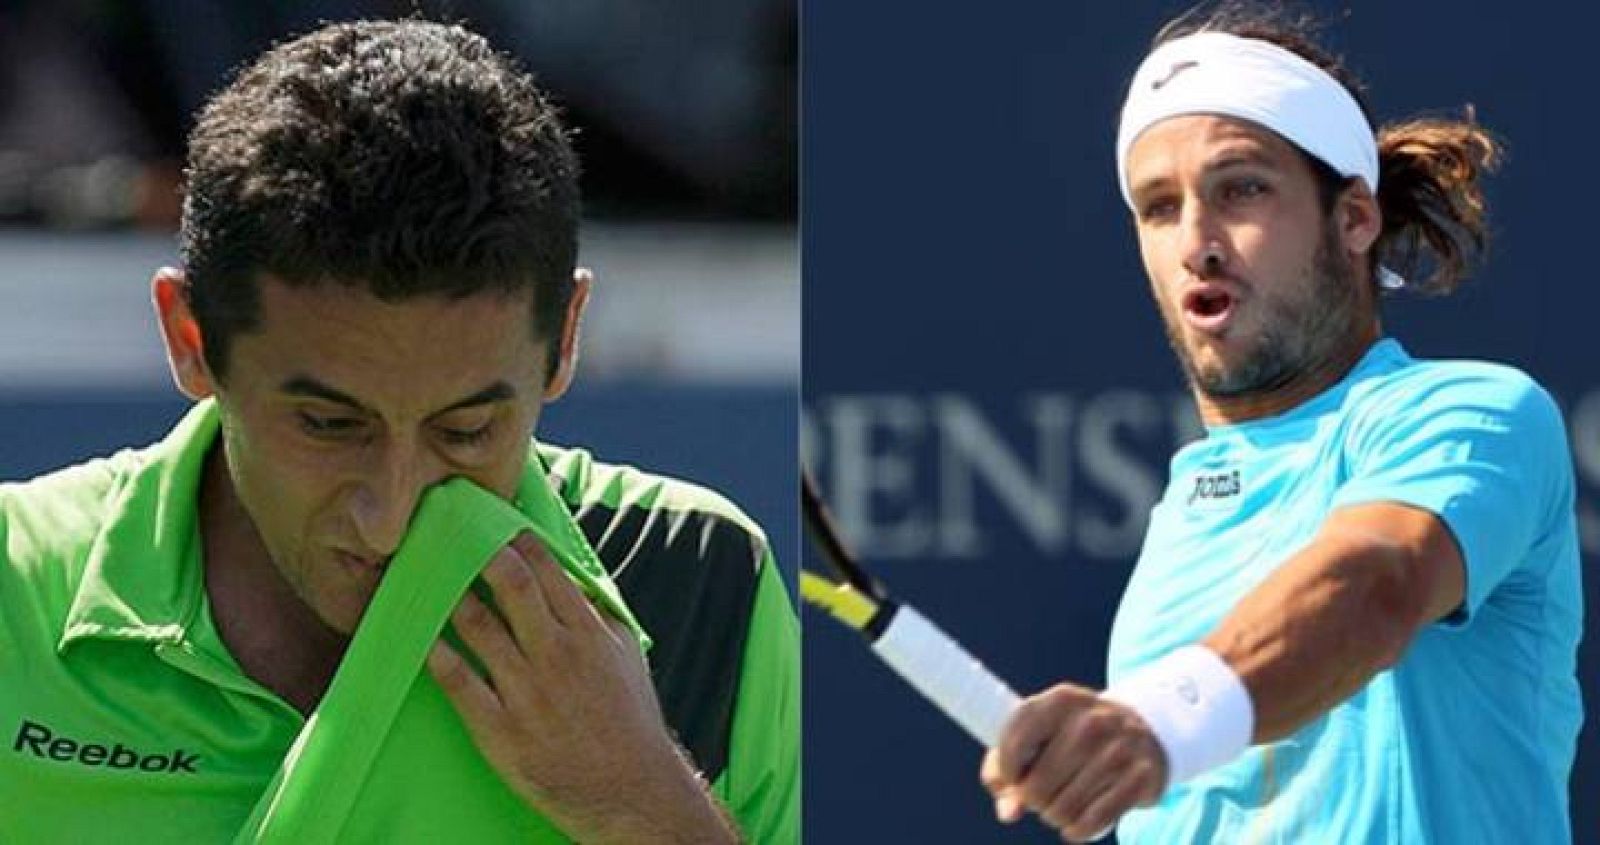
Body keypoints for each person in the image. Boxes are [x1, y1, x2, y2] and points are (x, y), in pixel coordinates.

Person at [0, 19, 797, 843]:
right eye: (328, 425)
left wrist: (640, 802)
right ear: (190, 338)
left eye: (466, 429)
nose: (390, 516)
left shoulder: (702, 581)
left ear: (564, 339)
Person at [980, 4, 1583, 843]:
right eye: (1159, 207)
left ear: (1354, 218)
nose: (1197, 239)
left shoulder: (1475, 412)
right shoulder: (1179, 524)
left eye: (1242, 188)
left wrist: (1165, 718)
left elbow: (1376, 585)